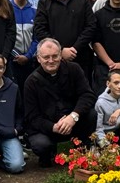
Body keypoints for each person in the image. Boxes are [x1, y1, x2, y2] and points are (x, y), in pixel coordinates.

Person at [23, 38, 96, 167]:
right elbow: (32, 117)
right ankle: (48, 154)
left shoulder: (74, 69)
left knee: (92, 114)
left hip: (72, 122)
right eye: (46, 57)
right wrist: (54, 127)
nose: (51, 60)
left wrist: (73, 116)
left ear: (61, 55)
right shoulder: (31, 82)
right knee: (41, 145)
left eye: (55, 56)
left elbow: (87, 95)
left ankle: (82, 150)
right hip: (48, 128)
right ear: (38, 58)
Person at [33, 0, 96, 78]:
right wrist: (60, 50)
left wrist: (75, 48)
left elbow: (91, 26)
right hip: (53, 62)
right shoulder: (44, 3)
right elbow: (40, 30)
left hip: (81, 58)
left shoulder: (83, 0)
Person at [8, 0, 38, 84]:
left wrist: (28, 56)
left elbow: (37, 38)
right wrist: (16, 55)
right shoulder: (7, 11)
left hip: (31, 61)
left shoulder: (35, 12)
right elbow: (5, 38)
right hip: (12, 61)